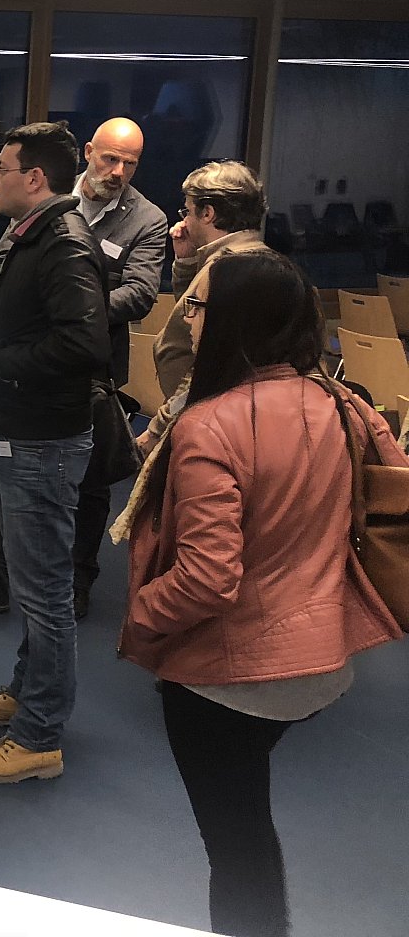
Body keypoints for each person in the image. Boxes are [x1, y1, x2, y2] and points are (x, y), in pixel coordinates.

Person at [115, 248, 401, 937]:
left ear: (236, 320)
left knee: (236, 844)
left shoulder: (208, 426)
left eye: (198, 305)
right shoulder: (345, 404)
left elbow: (207, 579)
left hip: (230, 678)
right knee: (247, 818)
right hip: (325, 659)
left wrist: (143, 614)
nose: (187, 316)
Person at [0, 117, 167, 623]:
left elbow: (140, 293)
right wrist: (62, 298)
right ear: (89, 152)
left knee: (90, 483)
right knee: (6, 471)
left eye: (130, 164)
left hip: (91, 369)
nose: (118, 172)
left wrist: (72, 303)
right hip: (31, 365)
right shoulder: (45, 197)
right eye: (110, 159)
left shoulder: (147, 219)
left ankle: (77, 581)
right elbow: (3, 260)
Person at [0, 121, 108, 784]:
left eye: (3, 168)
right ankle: (25, 692)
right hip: (25, 434)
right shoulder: (36, 234)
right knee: (31, 584)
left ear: (35, 178)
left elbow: (85, 345)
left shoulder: (64, 242)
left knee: (45, 595)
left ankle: (39, 734)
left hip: (44, 442)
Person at [141, 160, 268, 453]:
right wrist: (187, 262)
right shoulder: (243, 261)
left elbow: (206, 369)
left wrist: (157, 431)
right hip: (213, 419)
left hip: (208, 425)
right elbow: (195, 319)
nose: (184, 221)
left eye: (187, 211)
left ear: (208, 213)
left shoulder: (228, 272)